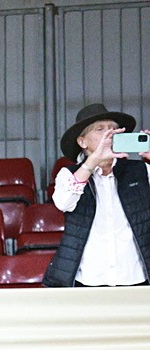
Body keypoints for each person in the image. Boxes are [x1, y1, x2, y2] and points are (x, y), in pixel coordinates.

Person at [43, 103, 150, 287]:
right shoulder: (70, 174)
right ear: (82, 142)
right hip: (89, 279)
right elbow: (63, 202)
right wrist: (93, 160)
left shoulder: (141, 170)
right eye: (100, 129)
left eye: (114, 129)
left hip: (135, 277)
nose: (109, 134)